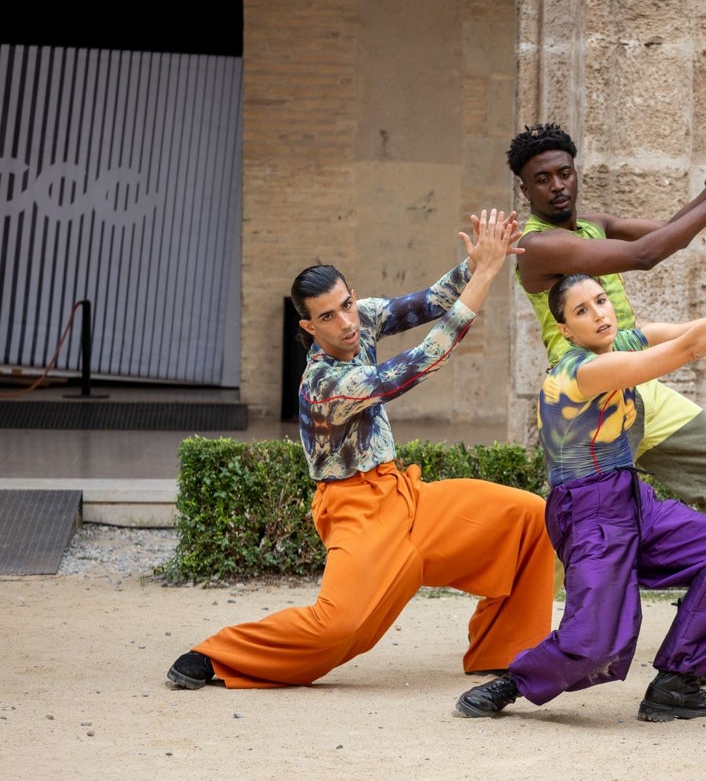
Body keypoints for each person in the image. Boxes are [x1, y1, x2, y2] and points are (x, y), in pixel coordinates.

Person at [166, 209, 555, 690]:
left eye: (347, 304)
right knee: (341, 628)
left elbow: (429, 303)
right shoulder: (324, 383)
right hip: (356, 509)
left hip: (405, 496)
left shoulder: (360, 318)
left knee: (529, 518)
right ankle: (217, 655)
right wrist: (489, 274)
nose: (346, 322)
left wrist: (473, 264)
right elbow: (418, 364)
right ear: (309, 328)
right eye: (327, 316)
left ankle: (505, 654)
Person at [455, 240, 706, 722]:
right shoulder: (583, 371)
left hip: (635, 502)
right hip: (589, 515)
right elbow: (692, 347)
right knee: (596, 646)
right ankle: (513, 683)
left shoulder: (622, 343)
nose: (598, 313)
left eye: (600, 300)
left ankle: (677, 684)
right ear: (565, 329)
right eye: (582, 309)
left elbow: (698, 329)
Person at [508, 123, 706, 540]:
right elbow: (645, 255)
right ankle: (541, 598)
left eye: (564, 173)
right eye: (542, 180)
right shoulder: (536, 246)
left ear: (576, 173)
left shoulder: (595, 224)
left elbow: (668, 236)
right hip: (587, 396)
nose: (557, 186)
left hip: (639, 383)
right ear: (525, 191)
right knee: (590, 527)